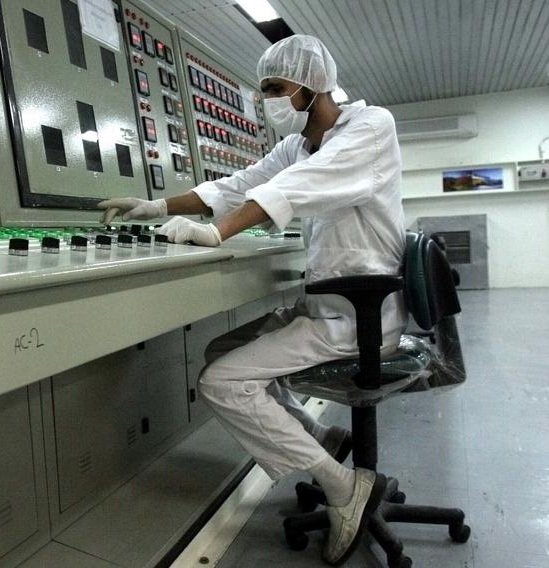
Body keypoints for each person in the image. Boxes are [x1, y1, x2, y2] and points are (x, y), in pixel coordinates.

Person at [98, 35, 406, 565]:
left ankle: (342, 486)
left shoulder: (370, 127)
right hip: (326, 305)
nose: (267, 99)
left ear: (311, 85)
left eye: (275, 88)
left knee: (218, 384)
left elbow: (294, 189)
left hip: (361, 315)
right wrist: (154, 205)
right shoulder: (297, 146)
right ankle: (321, 439)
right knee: (221, 352)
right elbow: (240, 186)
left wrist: (217, 235)